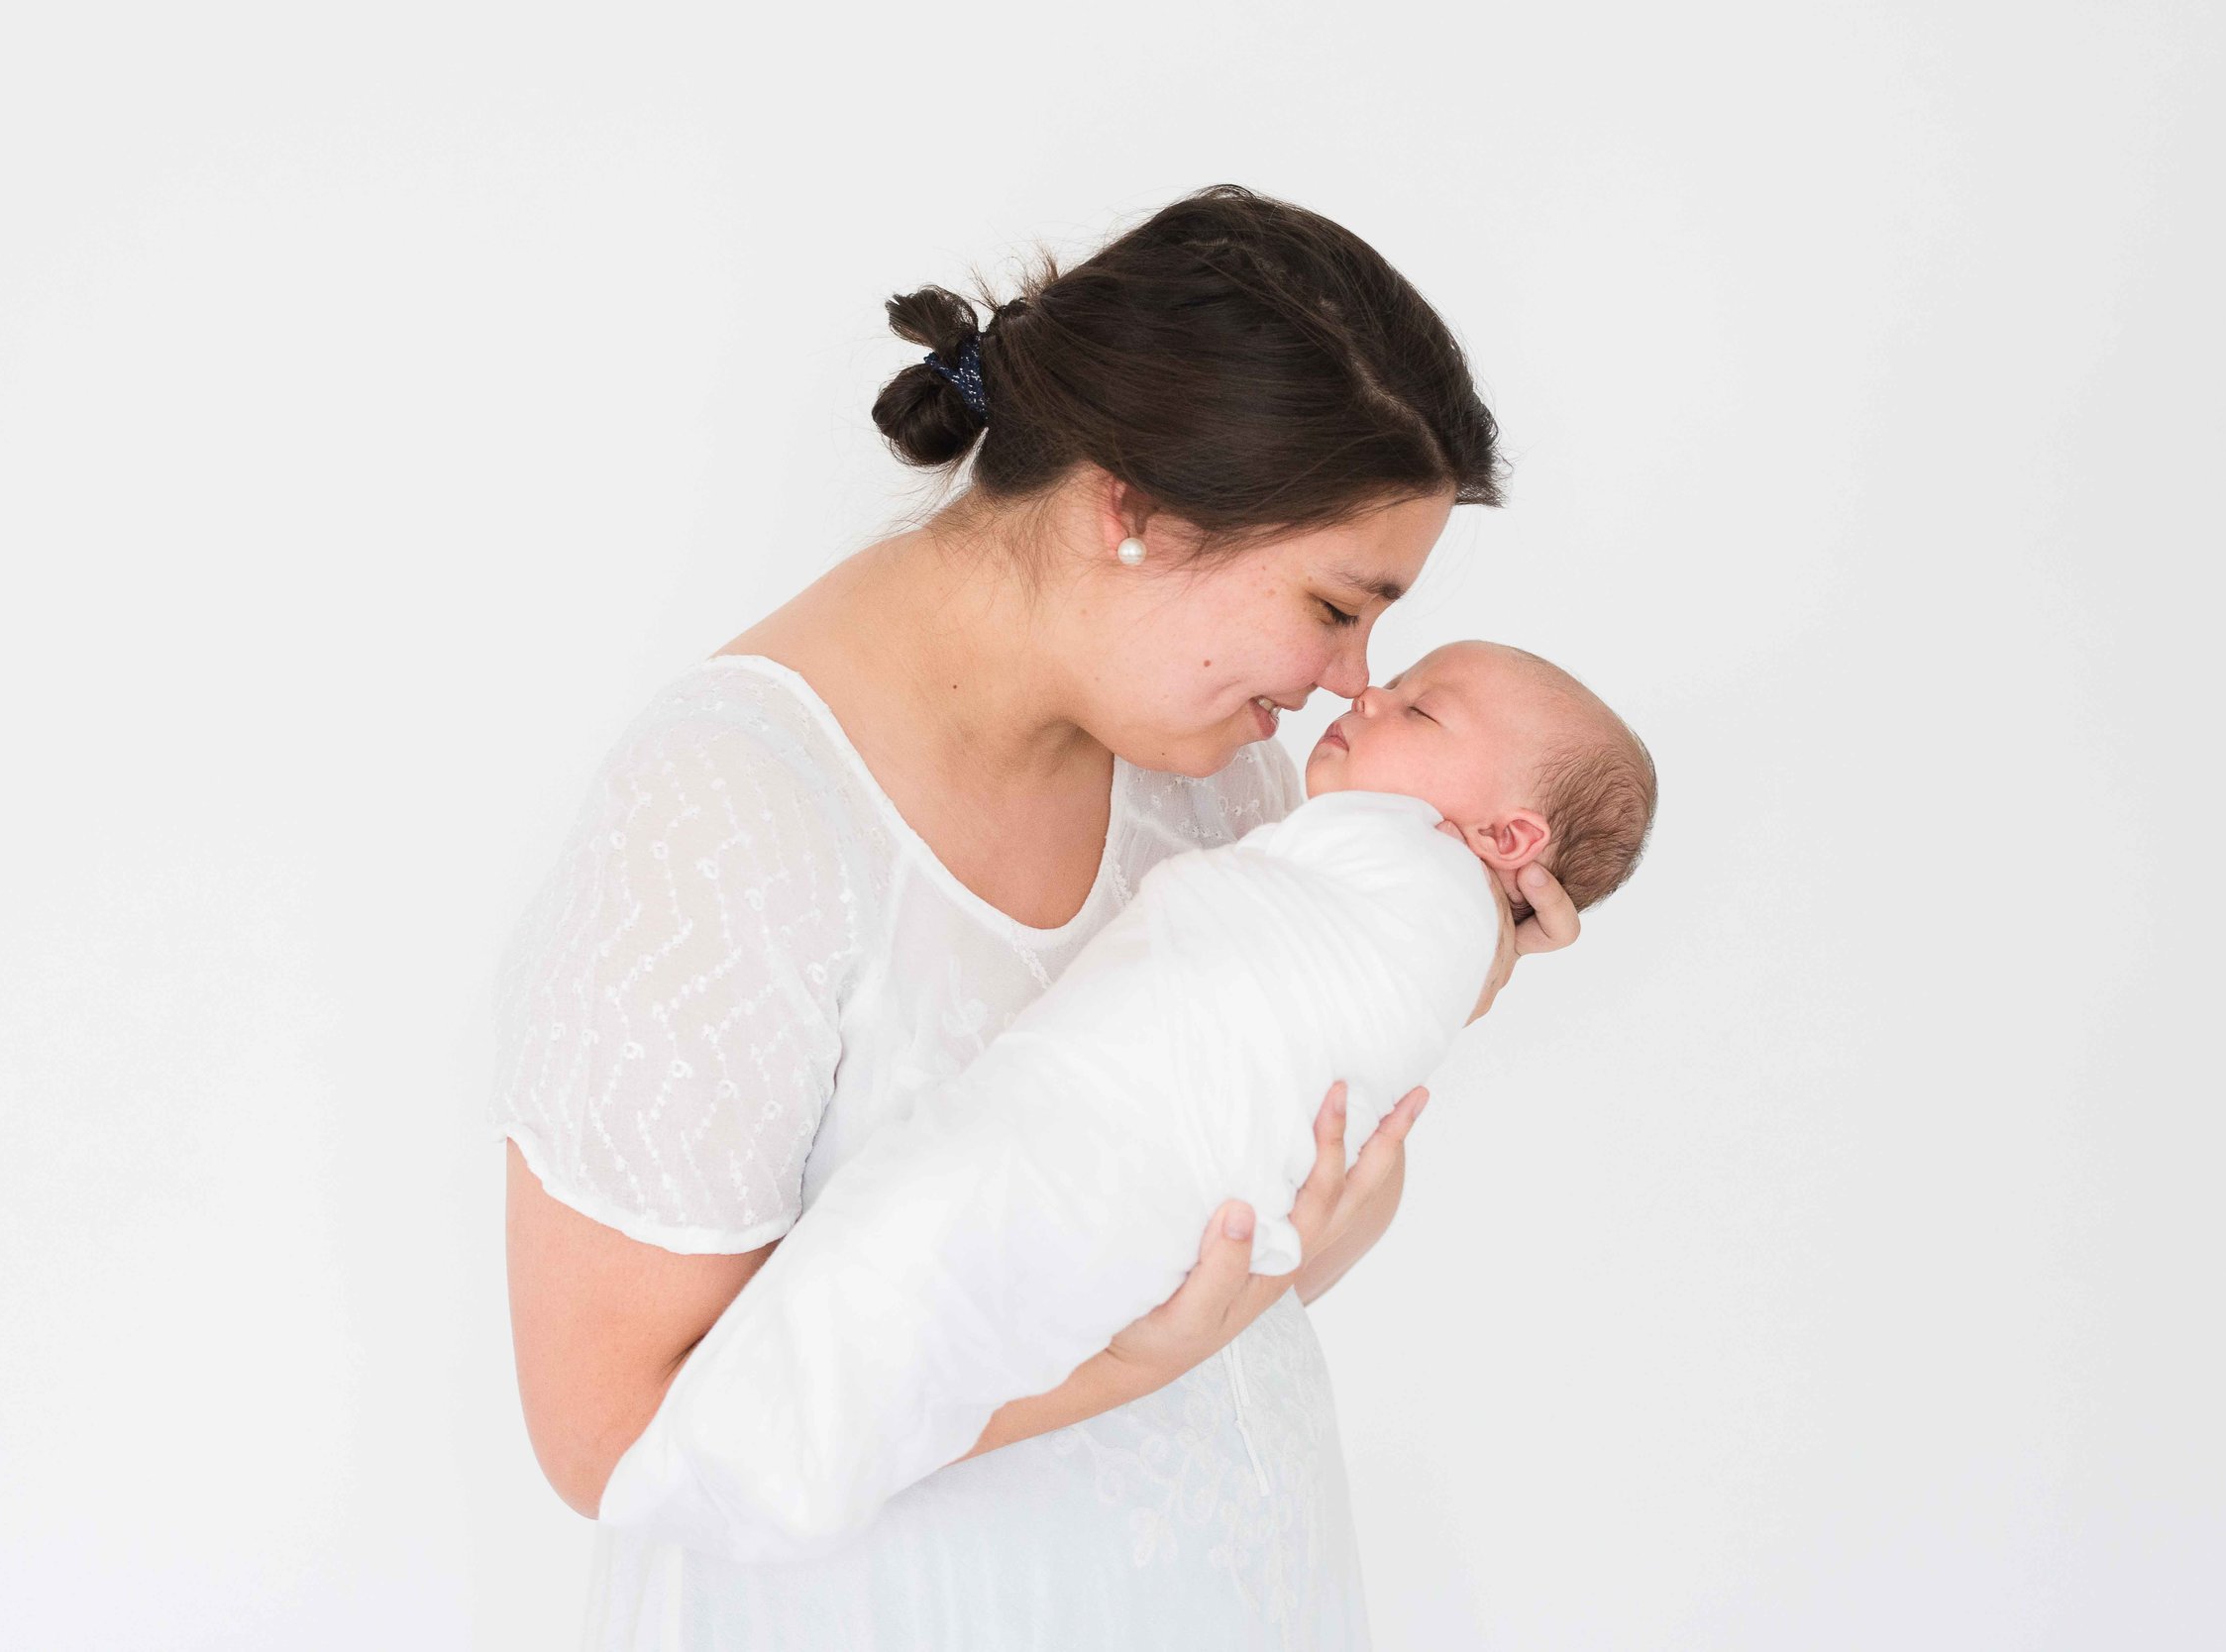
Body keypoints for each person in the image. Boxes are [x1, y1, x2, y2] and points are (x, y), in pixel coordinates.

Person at [490, 182, 1582, 1649]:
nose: (1355, 682)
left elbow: (1243, 1259)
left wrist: (1444, 966)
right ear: (1131, 504)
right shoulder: (725, 819)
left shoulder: (1218, 770)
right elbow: (613, 1441)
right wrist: (1128, 1369)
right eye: (1335, 605)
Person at [590, 640, 1655, 1563]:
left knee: (929, 1254)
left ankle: (762, 1456)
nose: (1359, 687)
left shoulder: (1376, 864)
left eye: (1415, 705)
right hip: (999, 1489)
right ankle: (758, 1458)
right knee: (923, 1269)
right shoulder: (740, 789)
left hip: (1150, 1244)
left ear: (1508, 841)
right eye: (1336, 610)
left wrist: (1470, 964)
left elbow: (1310, 1200)